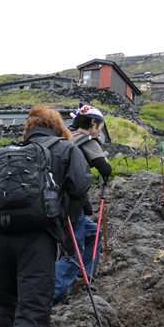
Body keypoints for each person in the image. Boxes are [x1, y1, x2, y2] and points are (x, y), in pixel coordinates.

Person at [0, 106, 92, 327]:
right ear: (57, 125)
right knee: (32, 315)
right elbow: (82, 188)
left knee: (3, 306)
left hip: (0, 238)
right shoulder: (65, 149)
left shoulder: (10, 151)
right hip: (36, 240)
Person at [54, 104, 112, 303]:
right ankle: (50, 295)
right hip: (70, 204)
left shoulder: (64, 137)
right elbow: (106, 170)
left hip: (50, 201)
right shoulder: (87, 140)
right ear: (93, 123)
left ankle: (82, 277)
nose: (100, 132)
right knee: (73, 248)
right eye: (100, 128)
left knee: (93, 233)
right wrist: (103, 158)